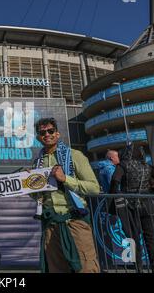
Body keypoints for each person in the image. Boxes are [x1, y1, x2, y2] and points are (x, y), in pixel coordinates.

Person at [31, 117, 100, 273]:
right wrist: (29, 188)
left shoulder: (74, 155)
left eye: (50, 131)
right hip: (51, 224)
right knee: (56, 269)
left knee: (86, 267)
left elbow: (94, 188)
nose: (47, 134)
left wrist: (65, 179)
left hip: (75, 221)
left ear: (58, 134)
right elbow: (39, 198)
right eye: (42, 132)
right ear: (38, 137)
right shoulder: (37, 164)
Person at [110, 144, 154, 273]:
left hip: (129, 207)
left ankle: (138, 268)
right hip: (147, 206)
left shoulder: (122, 165)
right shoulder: (147, 166)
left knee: (133, 238)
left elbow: (115, 181)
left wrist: (113, 196)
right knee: (151, 239)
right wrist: (151, 191)